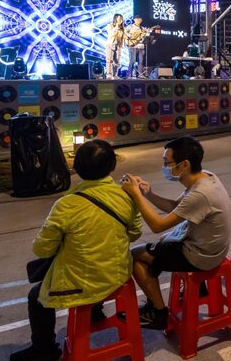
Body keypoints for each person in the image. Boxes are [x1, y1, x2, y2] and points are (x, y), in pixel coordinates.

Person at [10, 140, 142, 361]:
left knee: (36, 296)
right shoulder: (126, 195)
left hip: (82, 283)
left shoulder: (66, 204)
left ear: (77, 168)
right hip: (118, 274)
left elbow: (42, 249)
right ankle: (95, 312)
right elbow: (135, 233)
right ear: (112, 166)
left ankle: (45, 349)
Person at [119, 136, 231, 329]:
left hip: (201, 257)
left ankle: (158, 313)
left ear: (184, 165)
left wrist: (137, 196)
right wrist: (149, 194)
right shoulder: (205, 176)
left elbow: (158, 225)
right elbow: (175, 206)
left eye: (167, 163)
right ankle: (198, 288)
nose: (165, 167)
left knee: (136, 255)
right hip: (212, 247)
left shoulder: (200, 194)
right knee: (163, 242)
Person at [105, 13, 125, 79]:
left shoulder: (122, 28)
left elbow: (122, 38)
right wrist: (116, 27)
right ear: (115, 19)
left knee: (117, 61)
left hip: (118, 46)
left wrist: (121, 45)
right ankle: (109, 74)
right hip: (110, 44)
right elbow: (111, 34)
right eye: (119, 19)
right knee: (109, 60)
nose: (120, 20)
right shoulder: (110, 26)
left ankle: (115, 75)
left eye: (121, 19)